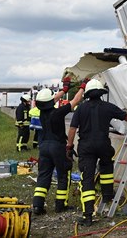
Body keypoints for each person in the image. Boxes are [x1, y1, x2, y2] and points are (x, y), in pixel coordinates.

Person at [67, 79, 127, 226]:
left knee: (87, 179)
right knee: (106, 165)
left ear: (87, 94)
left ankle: (88, 215)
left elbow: (72, 129)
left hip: (86, 147)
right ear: (101, 93)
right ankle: (107, 195)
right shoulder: (108, 107)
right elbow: (125, 116)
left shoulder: (81, 109)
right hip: (103, 145)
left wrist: (69, 146)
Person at [32, 78, 85, 215]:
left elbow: (51, 100)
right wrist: (82, 86)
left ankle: (38, 205)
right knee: (63, 175)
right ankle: (60, 205)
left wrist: (64, 90)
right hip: (58, 146)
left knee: (44, 175)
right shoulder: (58, 112)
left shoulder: (41, 111)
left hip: (44, 146)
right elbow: (76, 100)